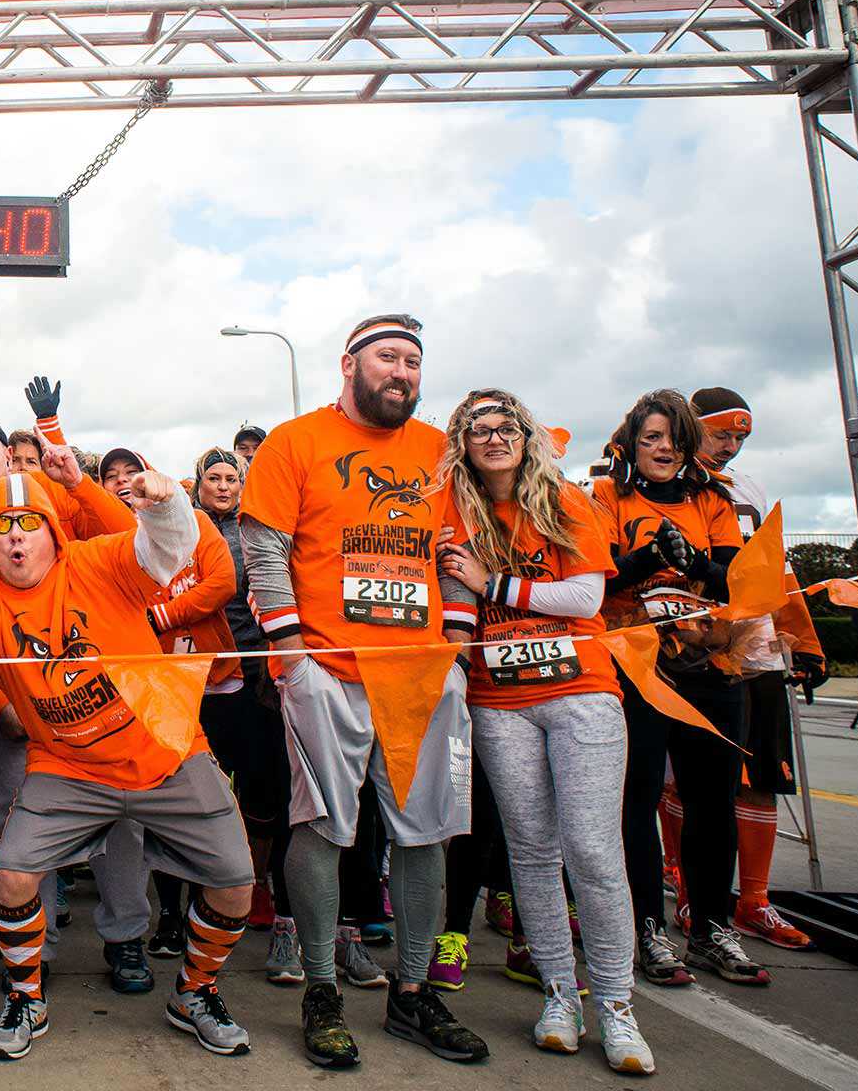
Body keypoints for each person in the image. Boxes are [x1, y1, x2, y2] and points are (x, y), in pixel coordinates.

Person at [0, 469, 258, 1061]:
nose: (17, 539)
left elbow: (168, 552)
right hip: (67, 766)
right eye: (2, 528)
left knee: (235, 884)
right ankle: (26, 996)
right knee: (12, 876)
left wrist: (167, 504)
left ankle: (195, 993)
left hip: (165, 749)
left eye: (30, 525)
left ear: (53, 532)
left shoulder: (99, 560)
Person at [238, 314, 488, 1068]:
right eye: (388, 357)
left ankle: (412, 994)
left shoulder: (436, 453)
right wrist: (288, 650)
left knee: (425, 833)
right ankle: (321, 987)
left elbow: (458, 550)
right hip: (329, 670)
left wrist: (457, 645)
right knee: (320, 829)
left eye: (414, 361)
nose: (403, 372)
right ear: (349, 364)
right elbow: (263, 545)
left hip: (421, 674)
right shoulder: (295, 441)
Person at [435, 389, 655, 1074]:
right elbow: (455, 590)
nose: (495, 439)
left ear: (527, 438)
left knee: (591, 848)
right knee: (531, 852)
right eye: (480, 431)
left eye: (508, 428)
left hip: (581, 694)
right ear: (463, 443)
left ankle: (617, 1005)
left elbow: (583, 598)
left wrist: (494, 583)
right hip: (498, 701)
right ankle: (561, 994)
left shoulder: (564, 501)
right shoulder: (456, 507)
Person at [0, 415, 149, 989]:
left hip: (92, 698)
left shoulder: (54, 495)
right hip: (12, 710)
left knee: (120, 823)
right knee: (15, 824)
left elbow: (129, 536)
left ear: (8, 458)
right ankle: (37, 944)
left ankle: (126, 937)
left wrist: (80, 483)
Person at [592, 390, 767, 986]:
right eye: (652, 439)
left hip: (709, 664)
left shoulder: (712, 501)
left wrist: (693, 561)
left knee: (712, 799)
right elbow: (595, 578)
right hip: (635, 662)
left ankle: (712, 928)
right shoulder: (605, 496)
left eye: (674, 439)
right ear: (631, 444)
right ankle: (645, 927)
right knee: (636, 797)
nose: (664, 449)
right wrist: (644, 561)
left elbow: (737, 583)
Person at [689, 386, 824, 952]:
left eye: (741, 437)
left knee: (764, 776)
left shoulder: (749, 488)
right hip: (694, 645)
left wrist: (807, 638)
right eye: (723, 434)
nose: (732, 446)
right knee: (692, 778)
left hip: (758, 647)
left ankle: (755, 900)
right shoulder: (664, 477)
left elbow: (776, 568)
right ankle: (692, 884)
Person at [97, 448, 241, 965]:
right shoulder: (107, 544)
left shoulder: (196, 521)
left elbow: (222, 584)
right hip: (143, 687)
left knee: (211, 800)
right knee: (153, 809)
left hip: (210, 680)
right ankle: (170, 915)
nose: (119, 481)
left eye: (128, 472)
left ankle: (215, 903)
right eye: (108, 476)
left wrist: (160, 617)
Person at [190, 447, 300, 979]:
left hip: (258, 674)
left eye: (233, 477)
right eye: (214, 477)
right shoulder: (185, 528)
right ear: (199, 484)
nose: (225, 486)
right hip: (201, 676)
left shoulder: (259, 526)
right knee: (199, 796)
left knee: (266, 794)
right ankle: (190, 906)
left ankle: (266, 895)